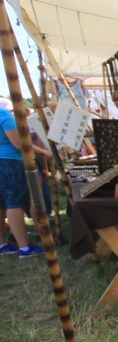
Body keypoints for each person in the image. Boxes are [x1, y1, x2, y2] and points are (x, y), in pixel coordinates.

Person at [0, 98, 52, 257]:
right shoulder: (3, 115)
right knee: (15, 203)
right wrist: (43, 151)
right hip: (10, 162)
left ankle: (2, 245)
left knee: (2, 204)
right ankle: (24, 247)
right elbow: (19, 142)